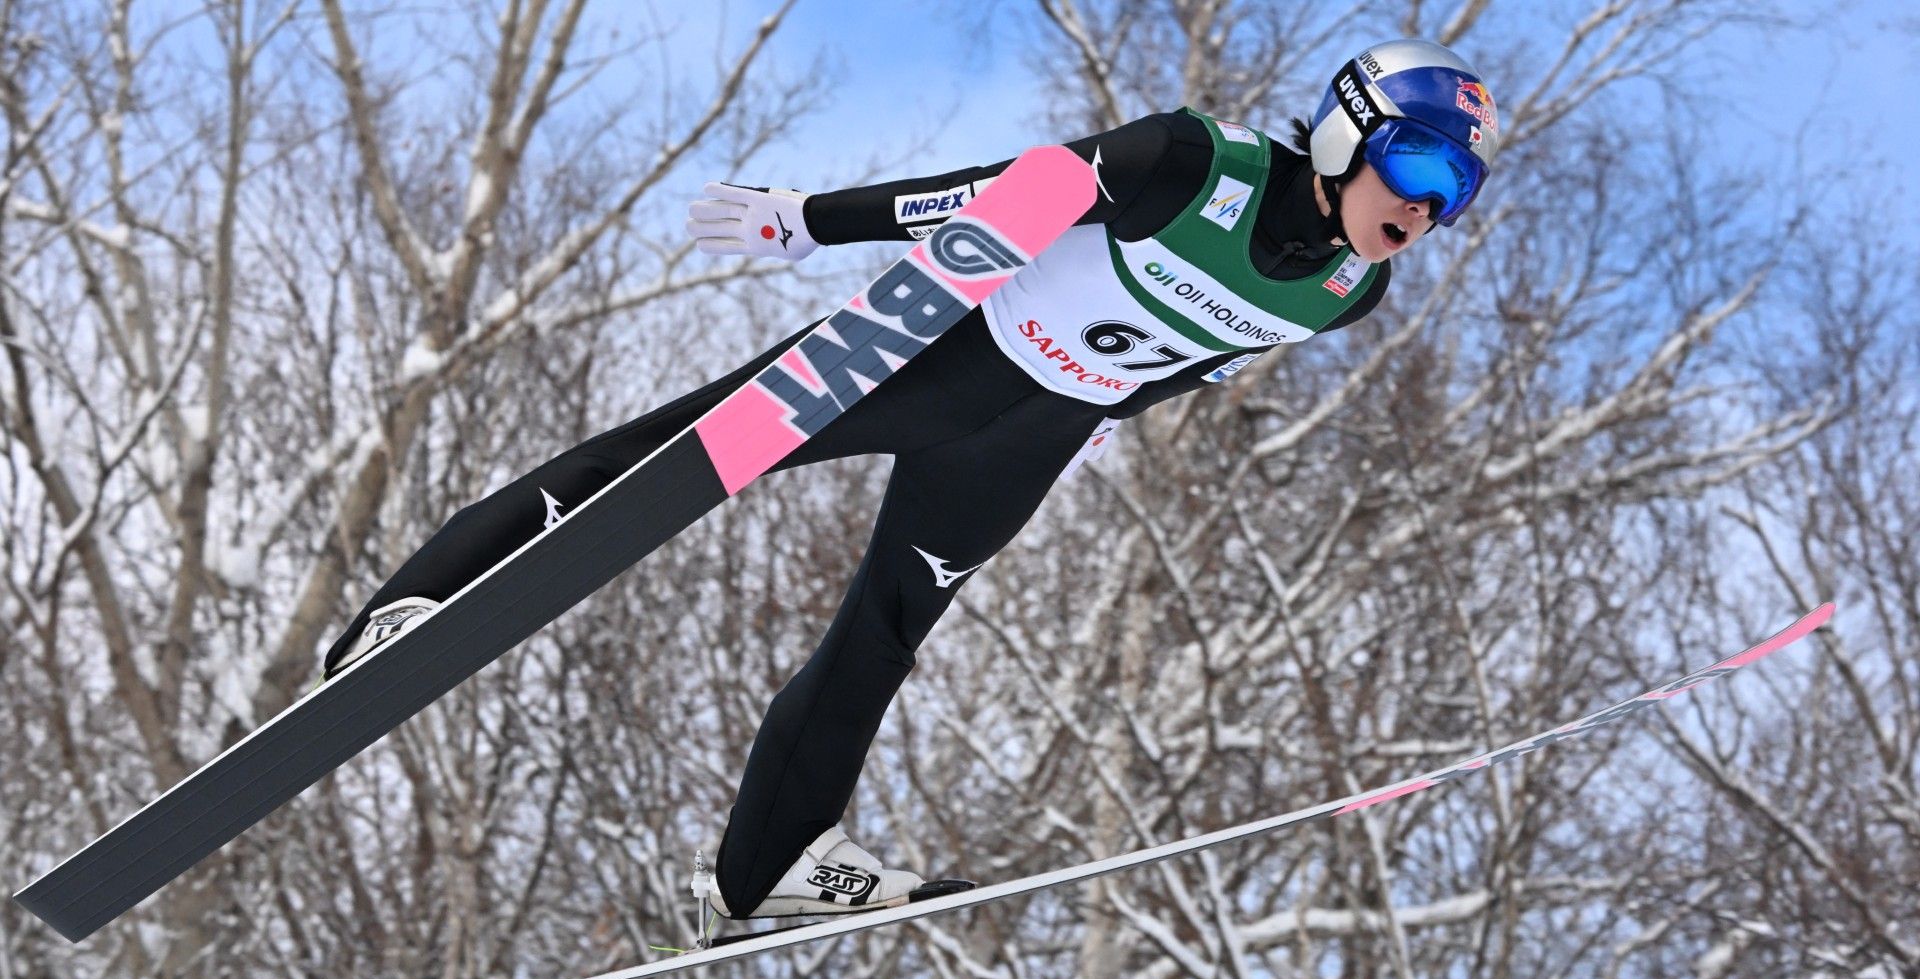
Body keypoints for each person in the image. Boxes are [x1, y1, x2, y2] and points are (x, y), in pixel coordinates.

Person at [320, 39, 1500, 920]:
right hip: (943, 356)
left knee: (885, 631)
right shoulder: (1194, 162)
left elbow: (1197, 357)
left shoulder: (1349, 293)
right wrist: (805, 224)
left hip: (1025, 437)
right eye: (1412, 165)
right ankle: (414, 609)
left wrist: (1105, 419)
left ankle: (763, 865)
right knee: (669, 459)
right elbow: (1003, 193)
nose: (1423, 207)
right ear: (1347, 135)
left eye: (1454, 193)